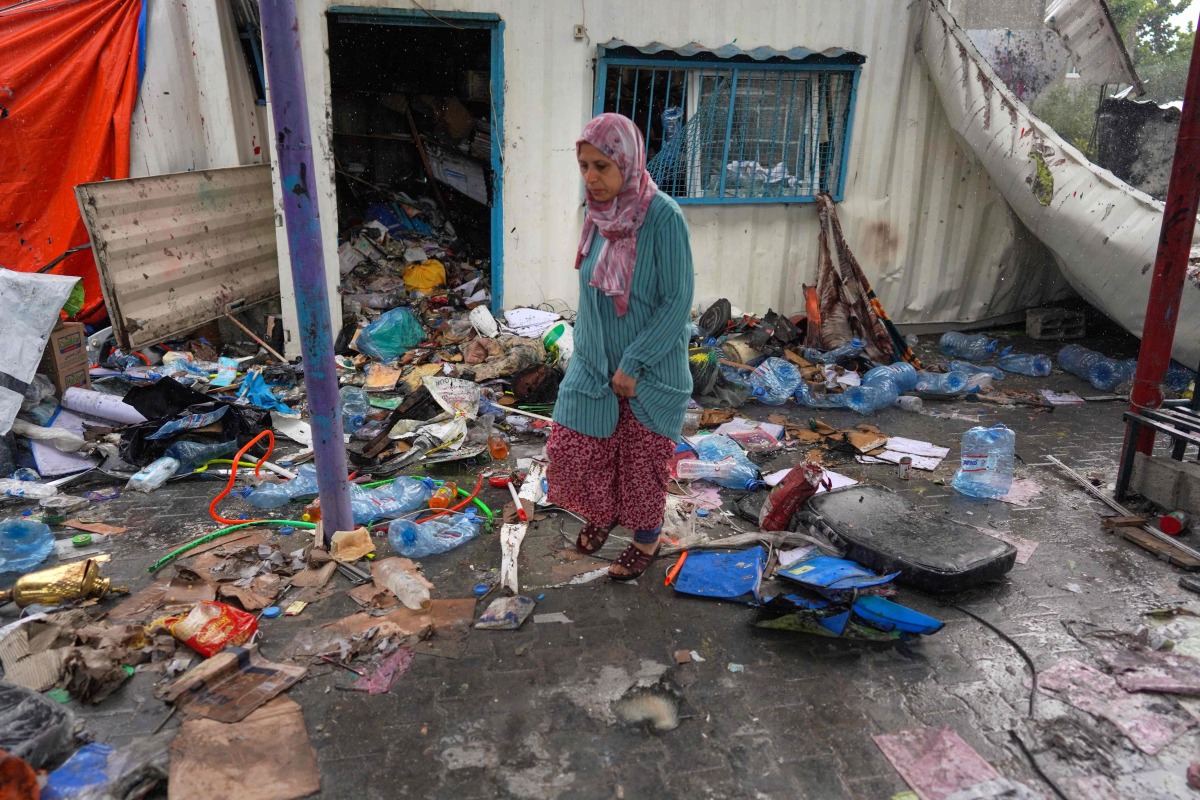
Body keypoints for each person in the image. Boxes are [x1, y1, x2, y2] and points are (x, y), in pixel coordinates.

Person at [546, 112, 694, 581]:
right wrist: (586, 357)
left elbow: (677, 302)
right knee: (576, 447)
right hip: (595, 363)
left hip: (650, 371)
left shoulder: (663, 217)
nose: (591, 177)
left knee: (640, 463)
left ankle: (646, 538)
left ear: (627, 163)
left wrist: (634, 363)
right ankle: (604, 510)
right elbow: (592, 296)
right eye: (585, 166)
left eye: (602, 166)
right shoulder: (597, 213)